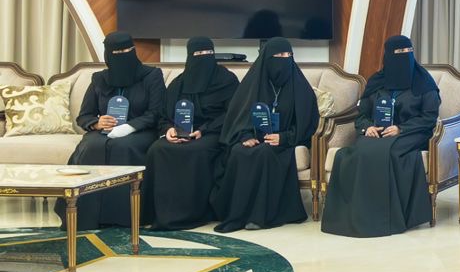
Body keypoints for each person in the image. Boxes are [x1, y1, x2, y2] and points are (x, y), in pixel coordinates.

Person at [321, 35, 440, 237]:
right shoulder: (377, 82)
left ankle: (388, 217)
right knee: (359, 153)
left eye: (408, 51)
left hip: (412, 133)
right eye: (399, 52)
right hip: (377, 133)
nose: (405, 56)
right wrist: (367, 127)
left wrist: (400, 128)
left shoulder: (423, 82)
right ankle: (359, 215)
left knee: (390, 154)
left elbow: (429, 117)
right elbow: (362, 115)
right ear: (388, 56)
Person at [62, 32, 167, 229]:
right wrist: (97, 123)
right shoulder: (99, 79)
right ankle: (86, 215)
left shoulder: (151, 76)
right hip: (104, 132)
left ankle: (124, 216)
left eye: (126, 51)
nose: (121, 56)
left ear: (133, 51)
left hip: (140, 131)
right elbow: (84, 116)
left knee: (124, 147)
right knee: (91, 146)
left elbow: (156, 112)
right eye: (116, 53)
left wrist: (129, 126)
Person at [213, 37, 318, 233]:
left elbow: (308, 124)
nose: (284, 59)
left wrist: (284, 137)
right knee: (238, 152)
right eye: (279, 55)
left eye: (288, 55)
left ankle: (260, 216)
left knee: (265, 153)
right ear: (267, 59)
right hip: (254, 138)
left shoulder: (300, 87)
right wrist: (245, 136)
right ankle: (238, 214)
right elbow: (238, 116)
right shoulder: (252, 84)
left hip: (284, 142)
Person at [144, 37, 239, 230]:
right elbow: (164, 115)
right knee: (157, 149)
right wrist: (169, 130)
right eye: (198, 54)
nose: (204, 57)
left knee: (195, 151)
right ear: (189, 56)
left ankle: (193, 213)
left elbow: (232, 114)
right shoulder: (178, 84)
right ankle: (160, 213)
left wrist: (203, 130)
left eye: (208, 53)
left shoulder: (227, 80)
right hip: (180, 131)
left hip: (212, 132)